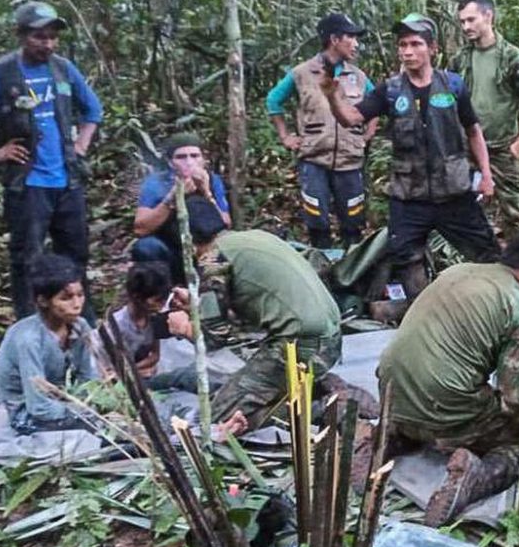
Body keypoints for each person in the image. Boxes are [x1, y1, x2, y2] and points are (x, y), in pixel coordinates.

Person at [373, 231, 519, 526]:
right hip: (443, 408)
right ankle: (475, 477)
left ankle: (391, 436)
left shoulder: (458, 271)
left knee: (444, 392)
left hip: (390, 394)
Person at [0, 1, 102, 321]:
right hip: (28, 186)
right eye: (40, 37)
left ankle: (84, 322)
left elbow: (93, 110)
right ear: (21, 35)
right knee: (28, 259)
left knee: (76, 255)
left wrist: (81, 144)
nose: (49, 44)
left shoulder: (63, 69)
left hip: (67, 181)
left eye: (53, 37)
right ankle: (32, 326)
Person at [321, 13, 501, 300]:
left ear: (433, 49)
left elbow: (473, 131)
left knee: (487, 254)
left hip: (454, 192)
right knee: (405, 256)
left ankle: (493, 306)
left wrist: (486, 176)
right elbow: (351, 118)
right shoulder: (390, 91)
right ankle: (424, 309)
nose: (407, 51)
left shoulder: (453, 85)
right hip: (409, 196)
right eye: (402, 45)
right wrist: (332, 95)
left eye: (415, 44)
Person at [165, 199, 344, 430]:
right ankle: (308, 393)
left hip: (300, 346)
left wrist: (185, 328)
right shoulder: (254, 237)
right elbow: (251, 306)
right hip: (330, 338)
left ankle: (318, 411)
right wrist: (198, 305)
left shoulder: (213, 259)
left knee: (215, 419)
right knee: (242, 388)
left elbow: (215, 338)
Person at [266, 13, 377, 249]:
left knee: (353, 221)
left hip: (350, 161)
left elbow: (376, 104)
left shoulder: (358, 76)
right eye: (351, 37)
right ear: (335, 39)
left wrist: (367, 135)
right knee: (317, 220)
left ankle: (352, 272)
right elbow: (273, 101)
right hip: (314, 159)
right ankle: (320, 269)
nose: (356, 44)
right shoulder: (301, 73)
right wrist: (286, 136)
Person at [451, 0, 519, 241]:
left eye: (471, 20)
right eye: (462, 22)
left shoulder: (512, 57)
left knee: (515, 214)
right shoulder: (460, 59)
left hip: (502, 148)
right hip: (468, 149)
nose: (466, 27)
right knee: (468, 212)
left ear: (488, 16)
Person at [0, 253, 98, 435]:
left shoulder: (80, 326)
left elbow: (88, 378)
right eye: (66, 298)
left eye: (80, 295)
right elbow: (38, 406)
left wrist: (93, 401)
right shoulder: (29, 339)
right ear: (43, 301)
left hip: (69, 401)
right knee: (98, 430)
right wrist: (82, 411)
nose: (77, 304)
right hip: (29, 413)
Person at [132, 132, 231, 284]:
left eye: (194, 156)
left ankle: (214, 289)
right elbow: (140, 229)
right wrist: (171, 199)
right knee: (146, 247)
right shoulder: (157, 183)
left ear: (203, 159)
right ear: (171, 162)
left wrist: (206, 193)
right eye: (181, 157)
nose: (189, 162)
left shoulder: (212, 180)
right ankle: (163, 294)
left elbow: (226, 224)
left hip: (206, 250)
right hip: (171, 249)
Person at [108, 261, 198, 392]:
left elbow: (155, 356)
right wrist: (135, 373)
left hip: (144, 376)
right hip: (125, 387)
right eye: (157, 300)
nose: (162, 305)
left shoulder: (153, 319)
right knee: (183, 377)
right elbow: (111, 373)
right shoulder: (117, 326)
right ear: (137, 297)